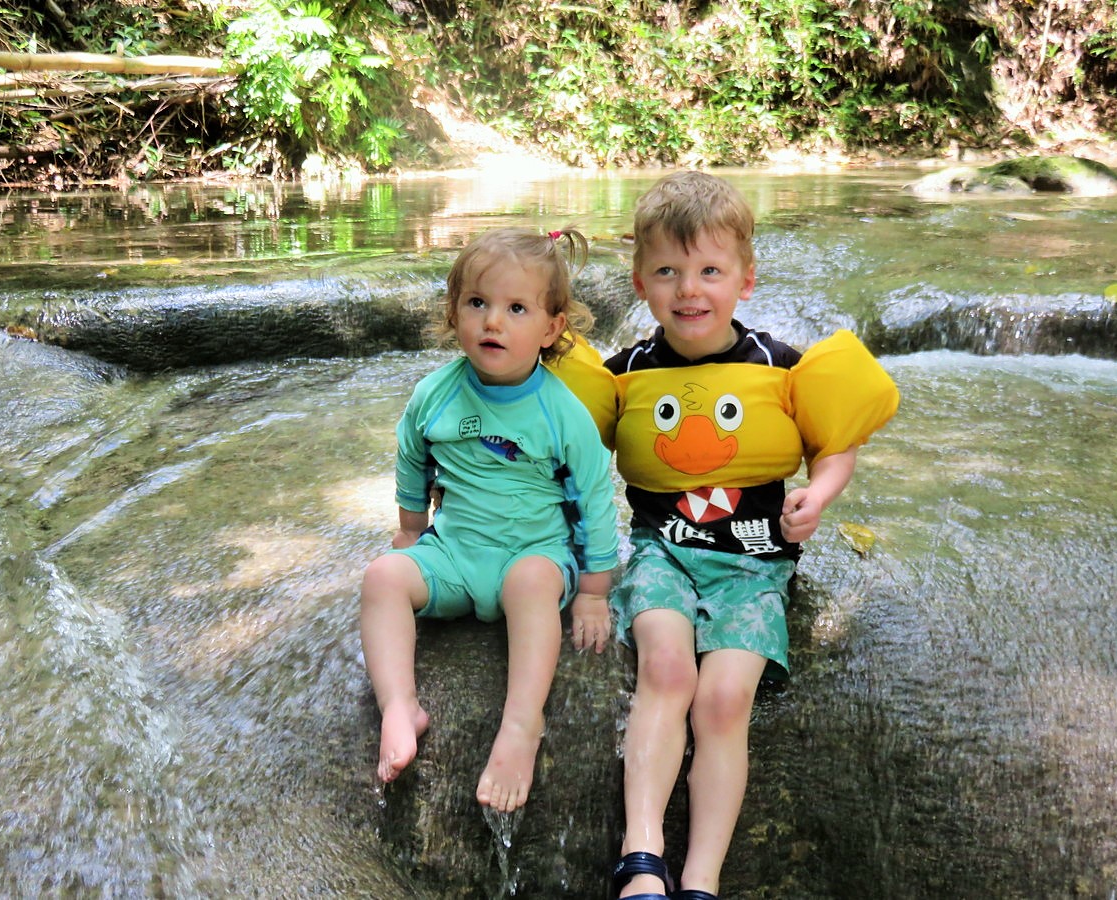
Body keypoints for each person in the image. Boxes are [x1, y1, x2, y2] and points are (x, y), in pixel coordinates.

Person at [555, 171, 899, 899]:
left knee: (722, 701)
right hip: (660, 555)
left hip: (755, 565)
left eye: (710, 270)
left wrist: (821, 492)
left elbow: (835, 443)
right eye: (668, 272)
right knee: (669, 673)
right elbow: (568, 448)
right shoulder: (630, 372)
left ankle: (703, 878)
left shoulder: (779, 364)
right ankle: (641, 857)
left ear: (745, 279)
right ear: (640, 282)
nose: (689, 290)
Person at [358, 226, 620, 815]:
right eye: (477, 303)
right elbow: (412, 455)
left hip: (533, 554)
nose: (492, 322)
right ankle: (399, 705)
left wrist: (596, 590)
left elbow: (595, 494)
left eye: (516, 308)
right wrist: (408, 528)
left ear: (551, 328)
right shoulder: (436, 394)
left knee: (530, 585)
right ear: (453, 313)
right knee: (381, 578)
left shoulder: (561, 412)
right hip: (454, 555)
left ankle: (522, 726)